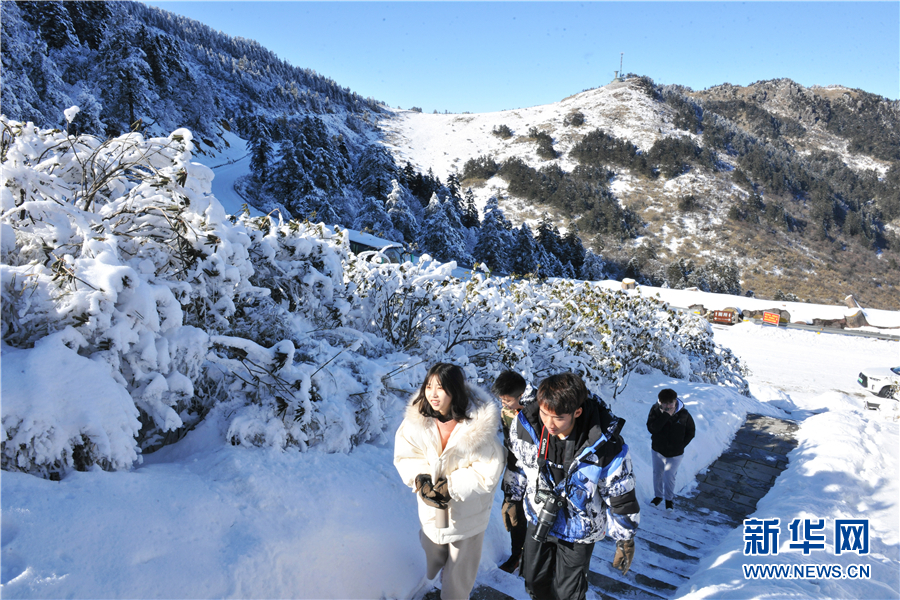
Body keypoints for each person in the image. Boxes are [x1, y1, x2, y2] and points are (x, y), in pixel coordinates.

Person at [505, 372, 640, 600]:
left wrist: (625, 537)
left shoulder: (603, 444)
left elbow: (620, 493)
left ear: (577, 412)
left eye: (558, 418)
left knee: (568, 594)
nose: (549, 423)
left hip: (578, 529)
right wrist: (511, 497)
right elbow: (518, 463)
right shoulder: (528, 426)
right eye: (544, 413)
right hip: (540, 516)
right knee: (534, 583)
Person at [394, 363, 506, 600]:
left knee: (457, 582)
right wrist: (420, 479)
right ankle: (438, 573)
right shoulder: (418, 420)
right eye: (429, 386)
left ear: (455, 390)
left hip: (468, 517)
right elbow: (406, 454)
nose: (433, 394)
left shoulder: (478, 426)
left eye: (441, 388)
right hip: (432, 510)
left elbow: (487, 471)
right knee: (432, 550)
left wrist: (450, 487)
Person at [492, 370, 535, 575]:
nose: (504, 404)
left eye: (507, 400)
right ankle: (517, 555)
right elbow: (510, 444)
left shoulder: (541, 411)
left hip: (538, 473)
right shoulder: (507, 412)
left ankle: (534, 559)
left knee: (537, 516)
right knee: (514, 514)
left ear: (521, 395)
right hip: (515, 469)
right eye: (501, 399)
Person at [646, 388, 696, 511]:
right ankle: (658, 497)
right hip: (658, 450)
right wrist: (665, 416)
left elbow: (691, 432)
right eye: (665, 403)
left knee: (669, 476)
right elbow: (652, 429)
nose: (668, 406)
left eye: (670, 403)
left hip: (675, 453)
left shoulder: (684, 414)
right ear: (660, 402)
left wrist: (681, 445)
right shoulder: (655, 411)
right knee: (657, 474)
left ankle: (669, 500)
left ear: (675, 401)